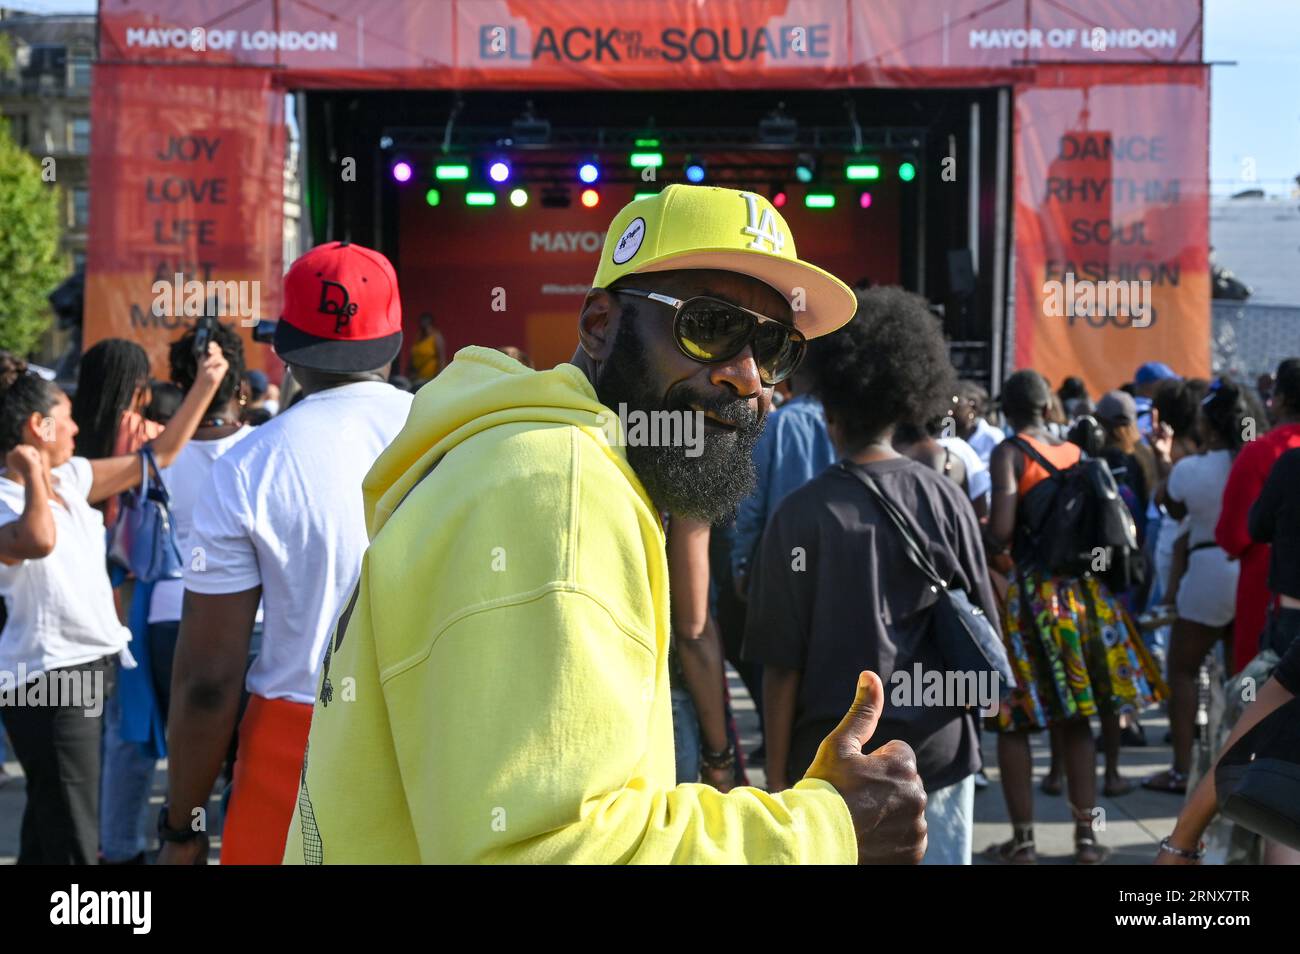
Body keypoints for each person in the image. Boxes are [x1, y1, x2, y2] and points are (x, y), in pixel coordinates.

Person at [283, 185, 927, 864]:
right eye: (708, 327)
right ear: (598, 325)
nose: (747, 377)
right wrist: (824, 831)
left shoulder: (535, 462)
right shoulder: (561, 484)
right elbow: (545, 849)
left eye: (774, 348)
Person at [158, 242, 414, 865]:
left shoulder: (249, 466)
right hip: (431, 732)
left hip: (292, 743)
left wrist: (183, 828)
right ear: (395, 339)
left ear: (284, 347)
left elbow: (208, 683)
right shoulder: (456, 439)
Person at [744, 286, 997, 865]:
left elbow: (779, 665)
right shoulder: (946, 498)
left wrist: (777, 780)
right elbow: (980, 626)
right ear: (907, 402)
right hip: (936, 757)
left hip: (832, 773)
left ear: (830, 415)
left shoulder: (799, 514)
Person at [0, 346, 226, 864]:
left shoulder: (71, 478)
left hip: (88, 669)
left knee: (49, 821)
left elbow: (160, 456)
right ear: (38, 427)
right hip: (49, 680)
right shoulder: (10, 496)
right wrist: (33, 473)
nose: (77, 428)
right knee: (75, 836)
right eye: (65, 419)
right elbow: (37, 540)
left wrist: (206, 385)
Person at [983, 370, 1165, 864]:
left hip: (1031, 600)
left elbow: (1000, 531)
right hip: (1082, 598)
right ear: (1047, 409)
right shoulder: (1077, 453)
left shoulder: (1009, 453)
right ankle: (1087, 840)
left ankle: (1023, 843)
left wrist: (984, 535)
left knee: (1016, 720)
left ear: (1008, 411)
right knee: (1077, 714)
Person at [1157, 446, 1300, 864]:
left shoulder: (1275, 456)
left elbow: (1242, 531)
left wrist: (1182, 838)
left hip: (1278, 616)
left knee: (1284, 792)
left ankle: (1183, 766)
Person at [1143, 380, 1247, 794]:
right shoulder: (1249, 460)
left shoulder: (1193, 468)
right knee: (1244, 677)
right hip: (1247, 573)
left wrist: (1164, 463)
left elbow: (1170, 504)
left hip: (1205, 572)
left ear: (1210, 426)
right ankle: (1242, 771)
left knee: (1183, 670)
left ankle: (1183, 770)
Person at [1216, 357, 1300, 673]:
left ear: (1280, 399)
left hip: (1271, 593)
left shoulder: (1261, 451)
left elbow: (1234, 535)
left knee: (1260, 697)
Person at [954, 380, 1003, 465]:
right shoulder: (943, 436)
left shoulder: (993, 438)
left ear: (973, 406)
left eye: (957, 402)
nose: (951, 408)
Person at [408, 312, 446, 382]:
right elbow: (412, 357)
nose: (423, 325)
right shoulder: (418, 337)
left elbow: (441, 358)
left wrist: (439, 378)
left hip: (430, 378)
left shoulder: (436, 337)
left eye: (425, 323)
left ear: (430, 324)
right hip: (416, 377)